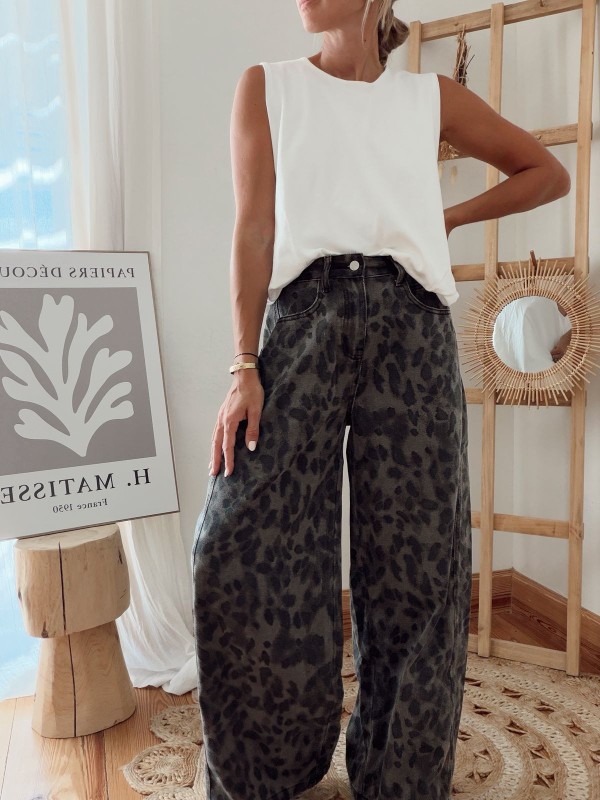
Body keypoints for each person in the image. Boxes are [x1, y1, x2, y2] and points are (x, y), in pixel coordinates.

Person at [191, 1, 571, 798]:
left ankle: (399, 778)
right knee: (237, 544)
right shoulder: (267, 86)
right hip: (303, 323)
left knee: (421, 567)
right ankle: (264, 771)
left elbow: (547, 172)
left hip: (414, 331)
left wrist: (445, 218)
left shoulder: (430, 97)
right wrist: (242, 364)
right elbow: (253, 230)